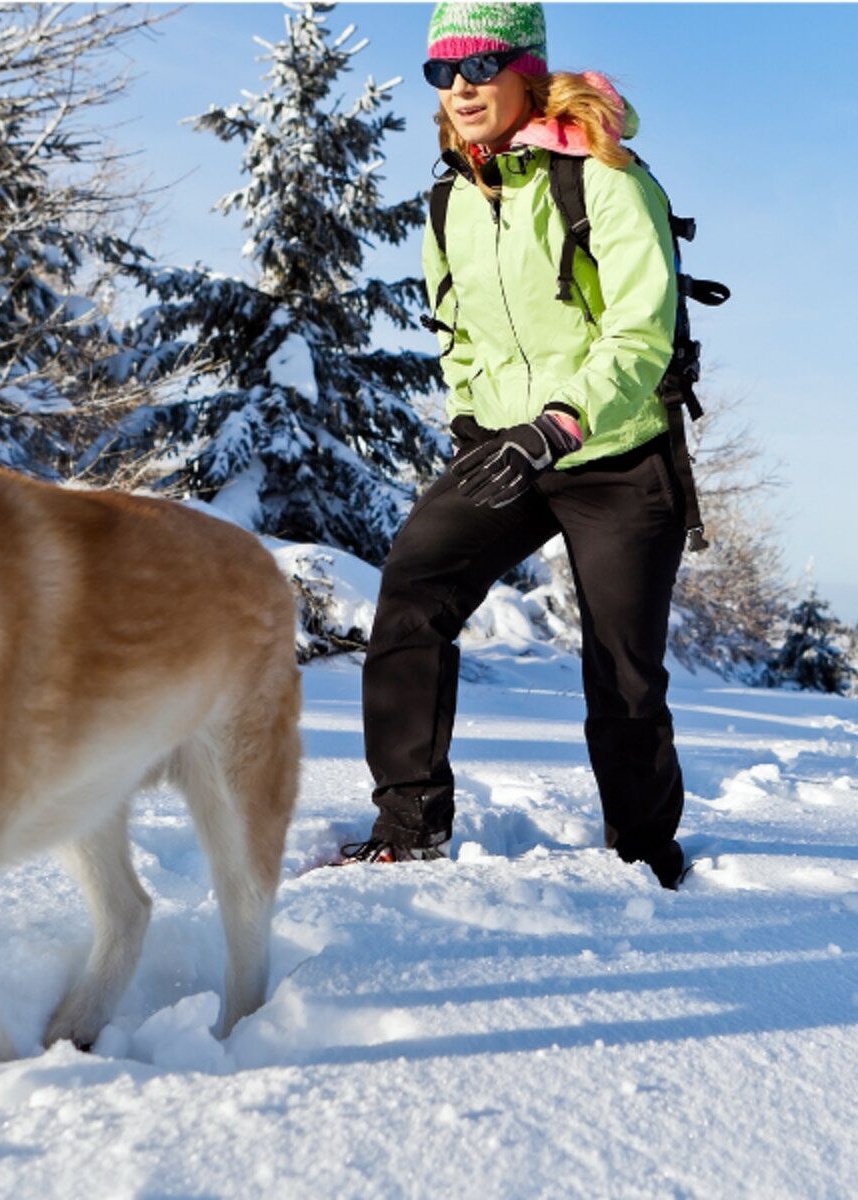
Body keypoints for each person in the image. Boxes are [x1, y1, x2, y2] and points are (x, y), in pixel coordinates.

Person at [336, 1, 692, 888]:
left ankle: (645, 853)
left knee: (622, 666)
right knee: (413, 593)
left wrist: (559, 425)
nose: (459, 88)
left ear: (526, 70)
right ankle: (409, 822)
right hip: (505, 448)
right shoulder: (451, 195)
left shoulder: (606, 178)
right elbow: (456, 329)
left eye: (478, 66)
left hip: (616, 452)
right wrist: (472, 422)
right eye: (440, 72)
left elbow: (641, 339)